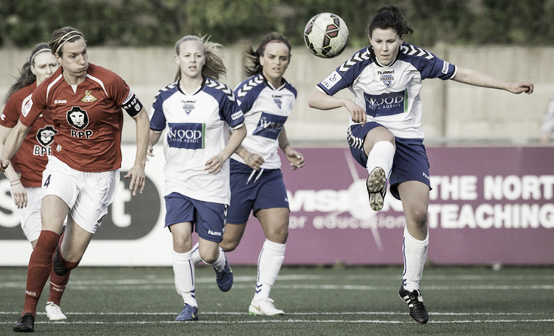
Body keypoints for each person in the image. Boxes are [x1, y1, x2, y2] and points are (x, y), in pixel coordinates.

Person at [308, 5, 534, 324]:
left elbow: (461, 73)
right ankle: (379, 178)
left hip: (410, 142)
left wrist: (507, 86)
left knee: (418, 214)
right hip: (367, 136)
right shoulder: (357, 63)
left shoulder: (417, 59)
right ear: (369, 40)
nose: (384, 48)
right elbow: (315, 97)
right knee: (384, 138)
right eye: (378, 41)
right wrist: (344, 101)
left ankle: (411, 289)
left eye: (390, 41)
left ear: (401, 38)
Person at [0, 26, 150, 332]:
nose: (82, 60)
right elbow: (21, 130)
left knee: (68, 258)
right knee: (48, 235)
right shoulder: (48, 89)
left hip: (101, 175)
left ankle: (59, 277)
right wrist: (3, 158)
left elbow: (141, 116)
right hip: (63, 166)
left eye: (84, 52)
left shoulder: (109, 81)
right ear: (59, 58)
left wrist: (139, 163)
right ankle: (28, 313)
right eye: (74, 55)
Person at [190, 32, 305, 316]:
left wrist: (287, 148)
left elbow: (277, 125)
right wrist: (243, 154)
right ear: (261, 59)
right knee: (227, 242)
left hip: (269, 172)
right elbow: (226, 125)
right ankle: (188, 259)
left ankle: (261, 299)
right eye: (272, 57)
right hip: (239, 170)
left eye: (283, 58)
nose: (278, 63)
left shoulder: (290, 93)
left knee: (279, 230)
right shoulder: (248, 90)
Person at [147, 35, 246, 321]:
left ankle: (220, 264)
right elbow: (154, 131)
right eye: (187, 55)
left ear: (204, 59)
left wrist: (225, 155)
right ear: (177, 59)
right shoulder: (164, 96)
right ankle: (189, 304)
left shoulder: (221, 94)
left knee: (208, 251)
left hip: (211, 183)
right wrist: (145, 145)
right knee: (180, 238)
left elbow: (239, 130)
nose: (192, 60)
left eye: (197, 55)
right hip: (177, 181)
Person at [0, 43, 71, 322]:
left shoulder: (71, 96)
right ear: (32, 69)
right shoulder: (21, 99)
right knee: (46, 249)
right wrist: (13, 180)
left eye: (53, 65)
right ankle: (39, 305)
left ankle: (53, 302)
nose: (49, 70)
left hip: (64, 181)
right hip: (31, 185)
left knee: (64, 251)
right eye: (43, 66)